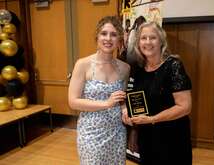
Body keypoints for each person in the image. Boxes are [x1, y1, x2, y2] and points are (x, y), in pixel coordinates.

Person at [124, 22, 193, 164]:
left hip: (172, 139)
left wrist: (152, 119)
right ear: (138, 43)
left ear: (161, 41)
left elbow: (185, 107)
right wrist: (132, 128)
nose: (148, 42)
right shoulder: (138, 70)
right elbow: (136, 104)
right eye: (143, 38)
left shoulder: (173, 65)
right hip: (147, 139)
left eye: (152, 38)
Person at [68, 16, 130, 165]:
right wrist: (106, 103)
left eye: (114, 34)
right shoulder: (83, 64)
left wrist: (125, 110)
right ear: (97, 36)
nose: (108, 38)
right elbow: (73, 102)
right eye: (104, 33)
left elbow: (121, 99)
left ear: (119, 39)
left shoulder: (125, 68)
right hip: (91, 133)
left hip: (117, 132)